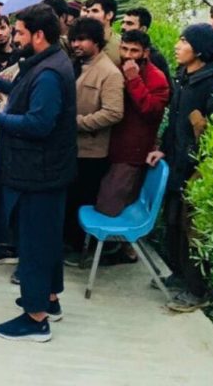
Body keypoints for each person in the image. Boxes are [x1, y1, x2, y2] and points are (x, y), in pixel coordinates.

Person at [0, 4, 77, 342]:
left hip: (38, 173)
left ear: (38, 35)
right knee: (47, 239)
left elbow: (39, 123)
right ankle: (50, 298)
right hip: (46, 170)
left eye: (19, 32)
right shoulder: (48, 62)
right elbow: (26, 92)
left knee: (33, 244)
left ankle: (35, 319)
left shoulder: (49, 73)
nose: (14, 38)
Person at [146, 23, 213, 313]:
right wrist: (163, 149)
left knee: (192, 229)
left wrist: (201, 165)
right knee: (173, 223)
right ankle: (179, 275)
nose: (177, 46)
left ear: (200, 49)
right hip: (177, 163)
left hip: (198, 169)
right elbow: (175, 123)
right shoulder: (184, 78)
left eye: (184, 41)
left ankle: (197, 291)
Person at [94, 30, 169, 264]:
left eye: (134, 50)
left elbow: (152, 111)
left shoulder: (156, 77)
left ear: (145, 52)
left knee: (111, 204)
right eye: (124, 49)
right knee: (105, 199)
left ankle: (120, 252)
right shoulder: (115, 69)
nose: (128, 55)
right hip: (109, 146)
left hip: (132, 152)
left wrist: (134, 80)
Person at [63, 17, 124, 266]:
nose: (76, 44)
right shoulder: (75, 65)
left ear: (97, 42)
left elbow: (114, 112)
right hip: (71, 148)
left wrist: (78, 123)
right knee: (69, 201)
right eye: (74, 39)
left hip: (91, 151)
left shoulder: (109, 73)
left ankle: (80, 249)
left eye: (82, 40)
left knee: (82, 200)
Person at [120, 7, 172, 88]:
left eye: (129, 23)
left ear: (143, 29)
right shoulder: (118, 47)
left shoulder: (154, 58)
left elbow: (166, 91)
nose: (123, 27)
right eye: (123, 22)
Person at [83, 0, 121, 66]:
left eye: (95, 11)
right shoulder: (79, 41)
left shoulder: (121, 44)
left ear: (109, 15)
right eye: (88, 11)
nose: (89, 15)